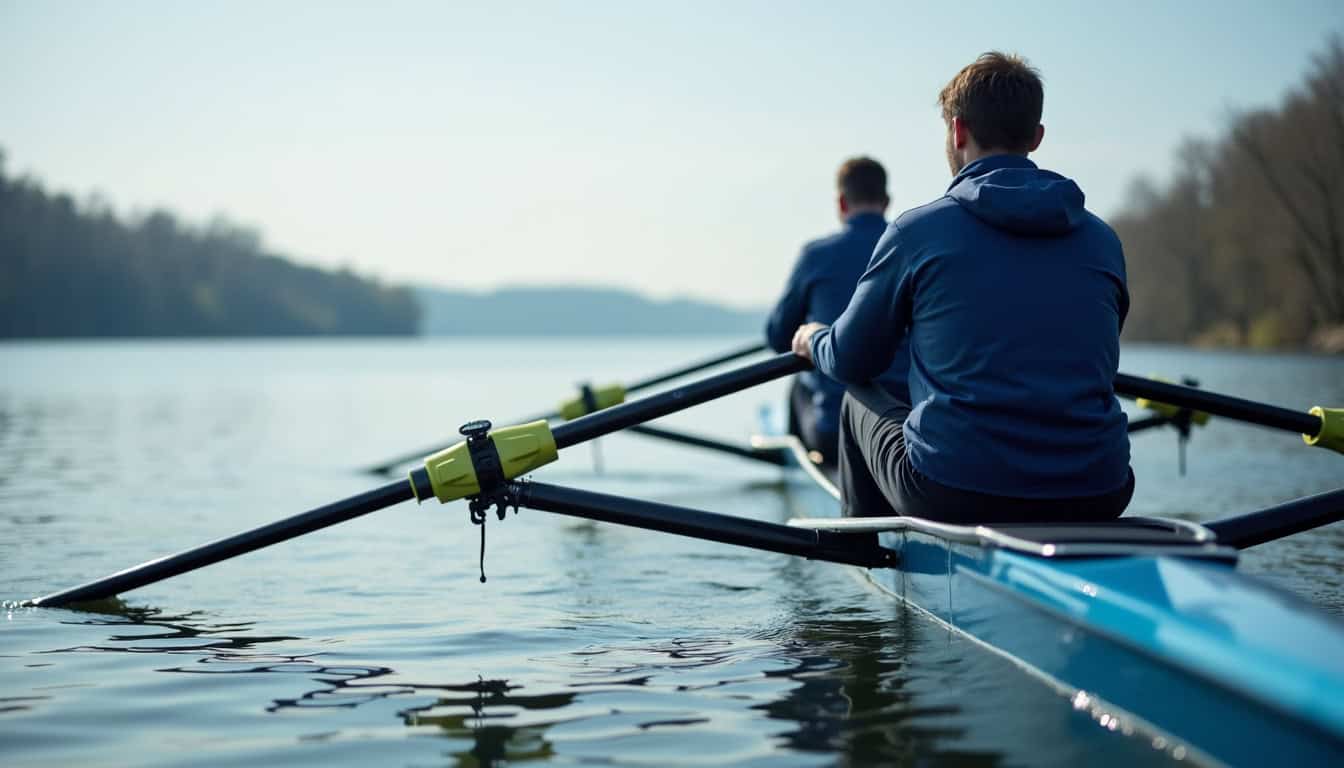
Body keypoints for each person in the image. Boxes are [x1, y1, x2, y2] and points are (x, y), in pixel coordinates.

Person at [791, 52, 1133, 524]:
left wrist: (813, 339)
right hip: (1101, 490)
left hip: (956, 491)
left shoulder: (918, 233)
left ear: (957, 131)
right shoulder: (1103, 240)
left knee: (855, 399)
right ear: (1035, 137)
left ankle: (864, 555)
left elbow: (852, 359)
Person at [765, 157, 909, 463]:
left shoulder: (816, 255)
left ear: (842, 202)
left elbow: (778, 338)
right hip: (905, 424)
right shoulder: (913, 249)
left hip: (835, 431)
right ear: (887, 202)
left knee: (798, 382)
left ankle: (803, 466)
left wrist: (810, 329)